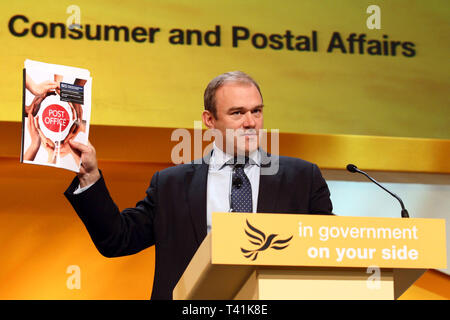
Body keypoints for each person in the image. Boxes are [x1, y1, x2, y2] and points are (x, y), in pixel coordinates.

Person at [64, 71, 333, 299]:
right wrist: (90, 177)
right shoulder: (171, 184)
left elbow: (328, 250)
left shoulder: (302, 178)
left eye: (256, 111)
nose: (250, 122)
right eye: (237, 113)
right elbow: (117, 240)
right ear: (209, 120)